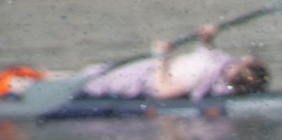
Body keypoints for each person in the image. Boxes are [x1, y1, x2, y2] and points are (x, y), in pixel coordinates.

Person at [81, 24, 270, 101]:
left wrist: (162, 58)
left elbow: (162, 92)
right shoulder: (223, 65)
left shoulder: (205, 77)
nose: (244, 57)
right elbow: (206, 55)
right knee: (94, 72)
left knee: (92, 79)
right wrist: (207, 39)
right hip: (149, 68)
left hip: (143, 80)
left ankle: (55, 81)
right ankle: (53, 77)